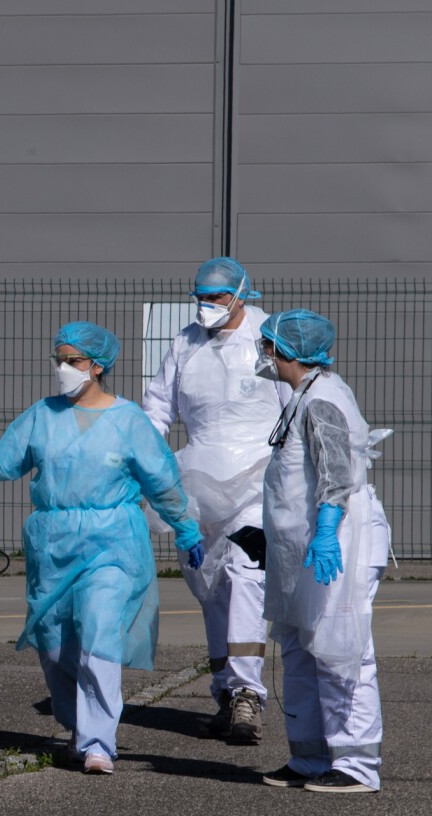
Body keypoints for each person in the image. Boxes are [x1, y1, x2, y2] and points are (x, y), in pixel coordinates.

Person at [0, 322, 203, 775]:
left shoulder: (129, 421)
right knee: (55, 646)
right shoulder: (42, 414)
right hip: (51, 547)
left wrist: (185, 527)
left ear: (97, 365)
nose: (63, 369)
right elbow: (2, 459)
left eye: (72, 361)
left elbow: (162, 480)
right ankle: (76, 728)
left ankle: (98, 742)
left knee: (98, 635)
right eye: (59, 360)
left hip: (111, 543)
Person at [142, 257, 290, 743]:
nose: (208, 306)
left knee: (245, 572)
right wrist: (146, 454)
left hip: (256, 476)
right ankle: (226, 692)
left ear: (243, 293)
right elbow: (158, 405)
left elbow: (296, 401)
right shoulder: (186, 342)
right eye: (201, 297)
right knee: (209, 583)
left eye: (218, 297)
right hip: (200, 476)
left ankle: (248, 694)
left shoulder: (269, 335)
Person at [256, 310, 390, 794]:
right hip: (301, 550)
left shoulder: (323, 400)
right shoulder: (303, 396)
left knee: (339, 648)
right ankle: (310, 755)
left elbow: (337, 471)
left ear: (287, 351)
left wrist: (328, 528)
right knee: (299, 649)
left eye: (267, 345)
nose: (263, 354)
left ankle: (356, 764)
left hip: (337, 545)